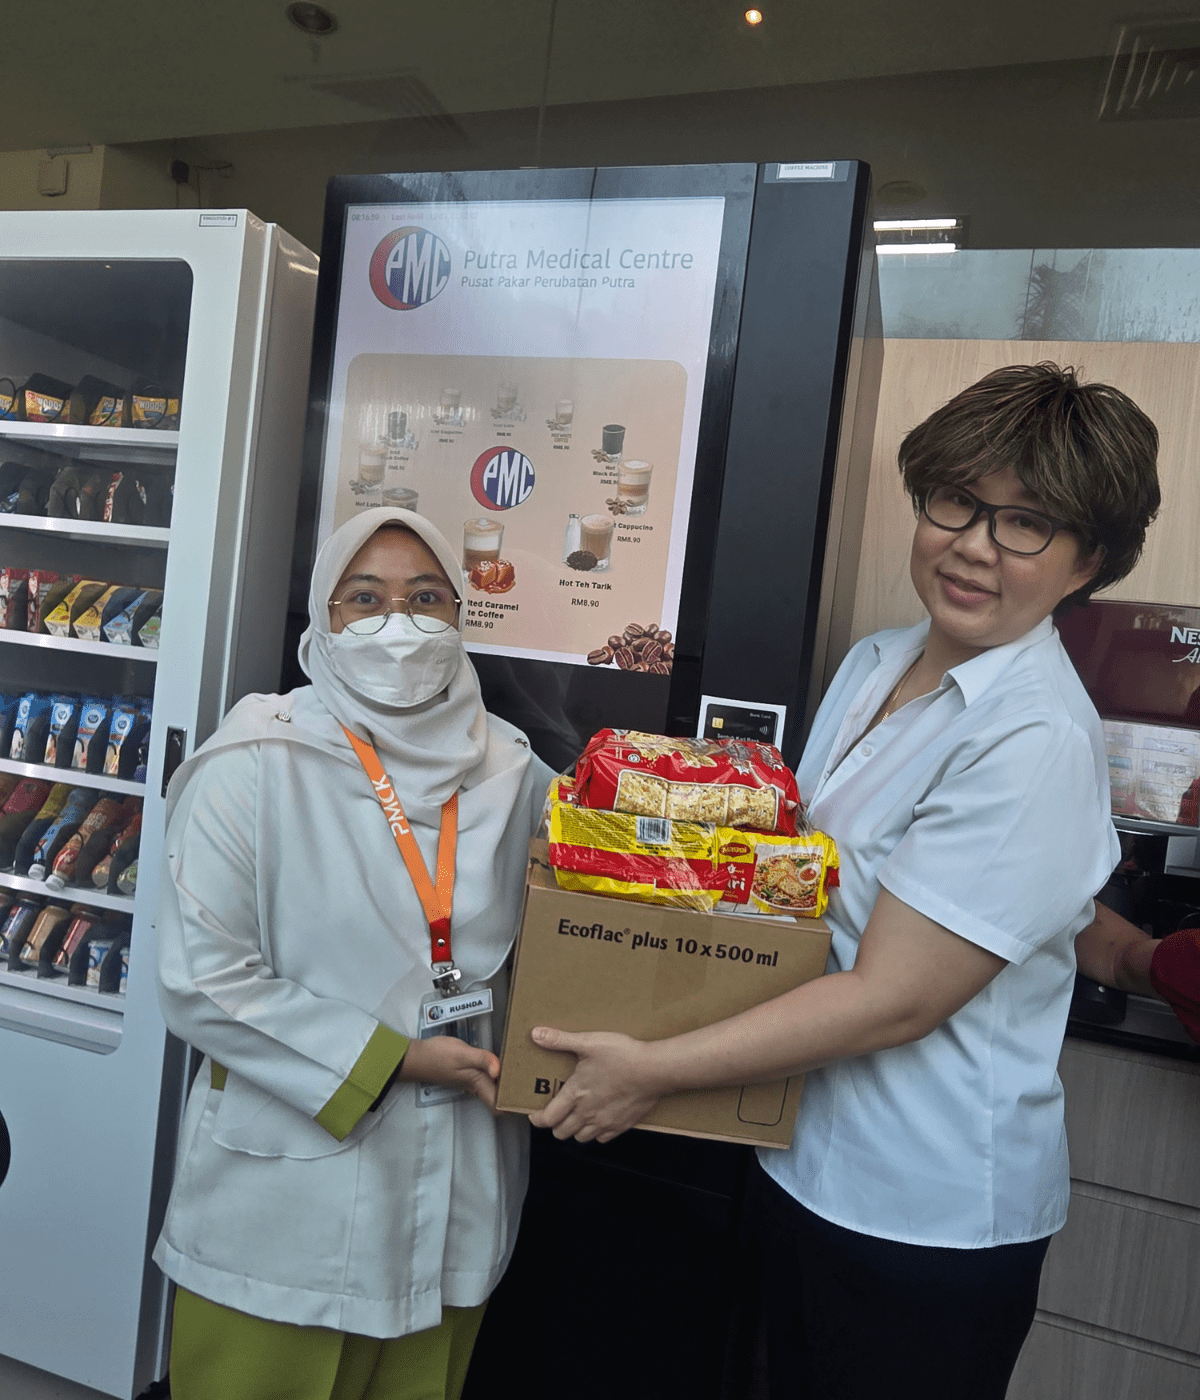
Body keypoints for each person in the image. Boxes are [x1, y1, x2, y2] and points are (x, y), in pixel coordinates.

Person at [528, 363, 1170, 1399]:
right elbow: (823, 876)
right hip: (801, 1150)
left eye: (1026, 524)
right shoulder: (878, 662)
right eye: (957, 499)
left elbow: (896, 995)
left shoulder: (1032, 733)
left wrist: (653, 1064)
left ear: (1088, 558)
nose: (973, 543)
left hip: (924, 1209)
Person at [152, 509, 552, 1400]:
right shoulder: (253, 763)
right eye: (363, 600)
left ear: (461, 615)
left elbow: (577, 921)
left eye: (425, 599)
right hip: (283, 1214)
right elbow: (202, 983)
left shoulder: (515, 774)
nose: (397, 627)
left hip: (456, 1192)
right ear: (321, 624)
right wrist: (398, 1059)